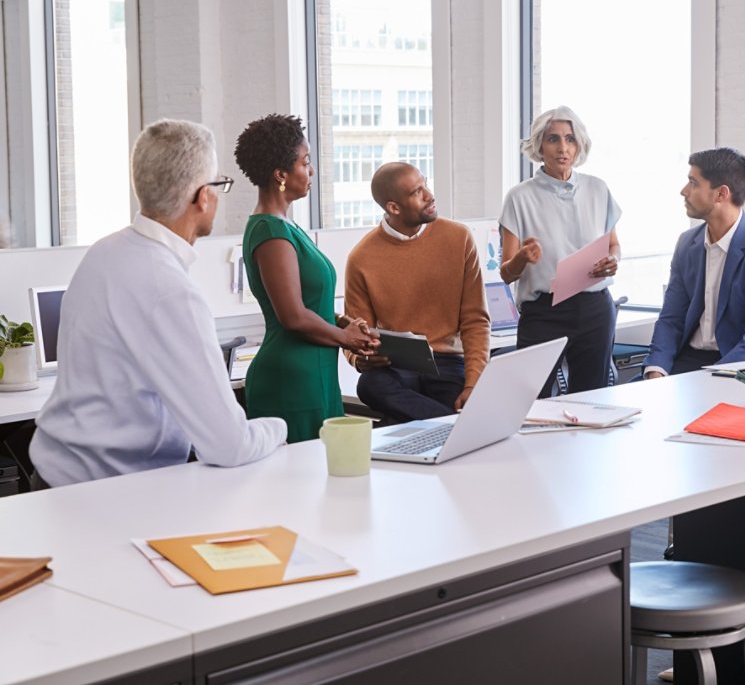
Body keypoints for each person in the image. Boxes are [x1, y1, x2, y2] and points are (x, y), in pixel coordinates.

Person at [29, 119, 287, 488]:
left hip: (56, 483)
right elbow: (229, 446)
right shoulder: (170, 289)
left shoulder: (104, 252)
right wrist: (280, 427)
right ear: (203, 197)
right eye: (218, 184)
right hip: (107, 496)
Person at [236, 114, 375, 443]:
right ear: (281, 174)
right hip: (291, 379)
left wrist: (344, 323)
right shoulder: (270, 232)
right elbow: (293, 316)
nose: (311, 171)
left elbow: (311, 304)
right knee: (301, 485)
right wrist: (347, 339)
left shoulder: (287, 226)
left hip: (316, 373)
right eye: (305, 161)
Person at [343, 162, 490, 422]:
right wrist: (360, 358)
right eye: (416, 192)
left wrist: (474, 383)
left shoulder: (459, 238)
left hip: (448, 363)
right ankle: (456, 428)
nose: (430, 195)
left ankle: (443, 425)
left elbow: (475, 320)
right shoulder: (361, 258)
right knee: (369, 385)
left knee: (401, 419)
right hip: (399, 367)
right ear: (393, 207)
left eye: (426, 184)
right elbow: (357, 334)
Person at [499, 106, 622, 394]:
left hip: (595, 308)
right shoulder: (519, 197)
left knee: (593, 399)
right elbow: (506, 274)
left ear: (579, 145)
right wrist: (521, 259)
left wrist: (613, 260)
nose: (562, 148)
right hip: (543, 313)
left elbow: (613, 243)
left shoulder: (598, 189)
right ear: (539, 145)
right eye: (553, 139)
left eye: (570, 139)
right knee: (530, 399)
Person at [643, 147, 745, 377]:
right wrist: (656, 370)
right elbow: (671, 320)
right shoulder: (687, 243)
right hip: (689, 362)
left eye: (693, 183)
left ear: (721, 194)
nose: (684, 191)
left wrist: (706, 380)